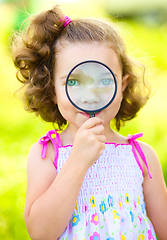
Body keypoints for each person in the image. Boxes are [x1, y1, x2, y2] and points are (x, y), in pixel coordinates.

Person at [12, 5, 167, 240]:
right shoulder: (48, 155)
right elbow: (40, 233)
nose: (91, 95)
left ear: (122, 86)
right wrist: (78, 161)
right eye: (74, 82)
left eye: (104, 80)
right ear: (52, 90)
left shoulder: (141, 156)